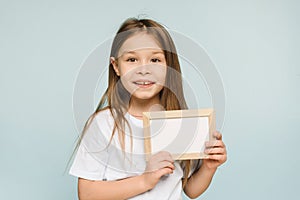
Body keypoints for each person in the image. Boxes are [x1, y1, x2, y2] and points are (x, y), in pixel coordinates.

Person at [69, 18, 227, 200]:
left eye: (155, 59)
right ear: (116, 66)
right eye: (132, 59)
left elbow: (190, 190)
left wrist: (209, 167)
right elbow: (87, 194)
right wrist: (145, 180)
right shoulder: (103, 124)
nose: (144, 69)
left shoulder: (179, 123)